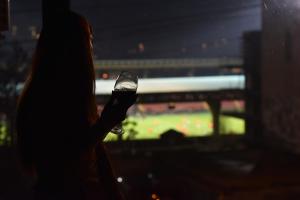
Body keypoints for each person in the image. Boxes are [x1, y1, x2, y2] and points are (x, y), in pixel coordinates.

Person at [16, 10, 136, 200]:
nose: (91, 47)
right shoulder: (54, 99)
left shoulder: (43, 95)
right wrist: (104, 124)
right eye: (88, 39)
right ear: (73, 48)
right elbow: (66, 161)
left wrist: (104, 124)